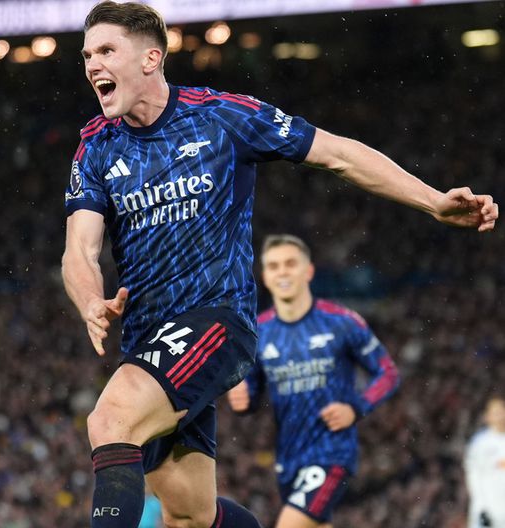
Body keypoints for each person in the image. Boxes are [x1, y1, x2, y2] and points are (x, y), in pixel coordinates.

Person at [60, 2, 498, 527]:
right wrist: (89, 299)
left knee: (110, 420)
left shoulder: (222, 116)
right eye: (87, 55)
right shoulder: (96, 147)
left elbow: (338, 154)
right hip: (148, 341)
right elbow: (79, 249)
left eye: (106, 50)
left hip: (216, 320)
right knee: (188, 516)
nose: (92, 64)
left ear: (151, 58)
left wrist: (432, 201)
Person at [227, 235, 401, 528]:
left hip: (331, 452)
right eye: (274, 266)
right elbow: (251, 393)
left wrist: (355, 407)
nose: (282, 272)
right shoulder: (258, 332)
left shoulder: (341, 321)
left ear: (308, 271)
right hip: (288, 458)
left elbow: (388, 373)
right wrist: (243, 399)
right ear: (265, 277)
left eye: (290, 264)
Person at [465, 396, 505, 528]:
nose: (500, 416)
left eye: (502, 411)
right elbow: (473, 476)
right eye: (496, 413)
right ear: (487, 417)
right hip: (488, 511)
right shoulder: (479, 444)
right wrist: (481, 506)